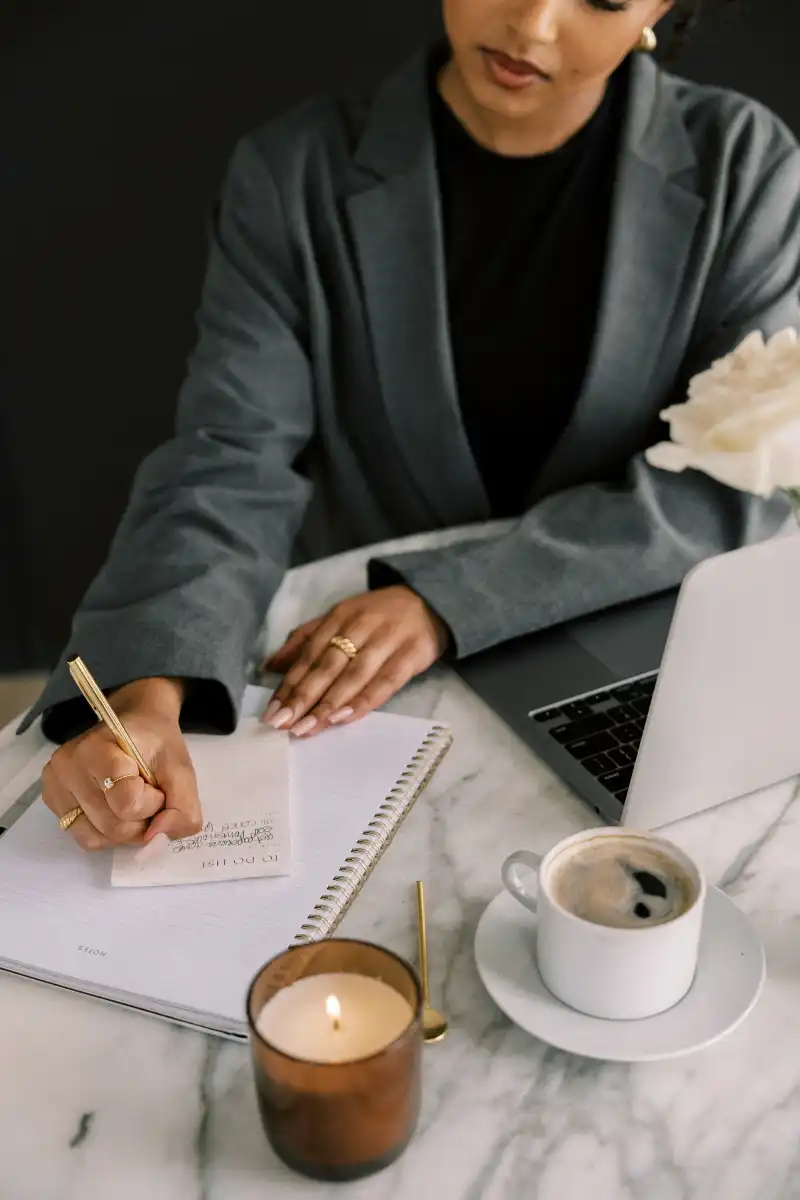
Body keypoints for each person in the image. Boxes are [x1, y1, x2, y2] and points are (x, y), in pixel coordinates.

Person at [23, 0, 800, 852]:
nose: (533, 26)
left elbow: (732, 481)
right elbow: (229, 458)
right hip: (353, 674)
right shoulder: (296, 173)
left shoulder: (745, 167)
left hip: (635, 638)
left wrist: (451, 597)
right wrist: (145, 691)